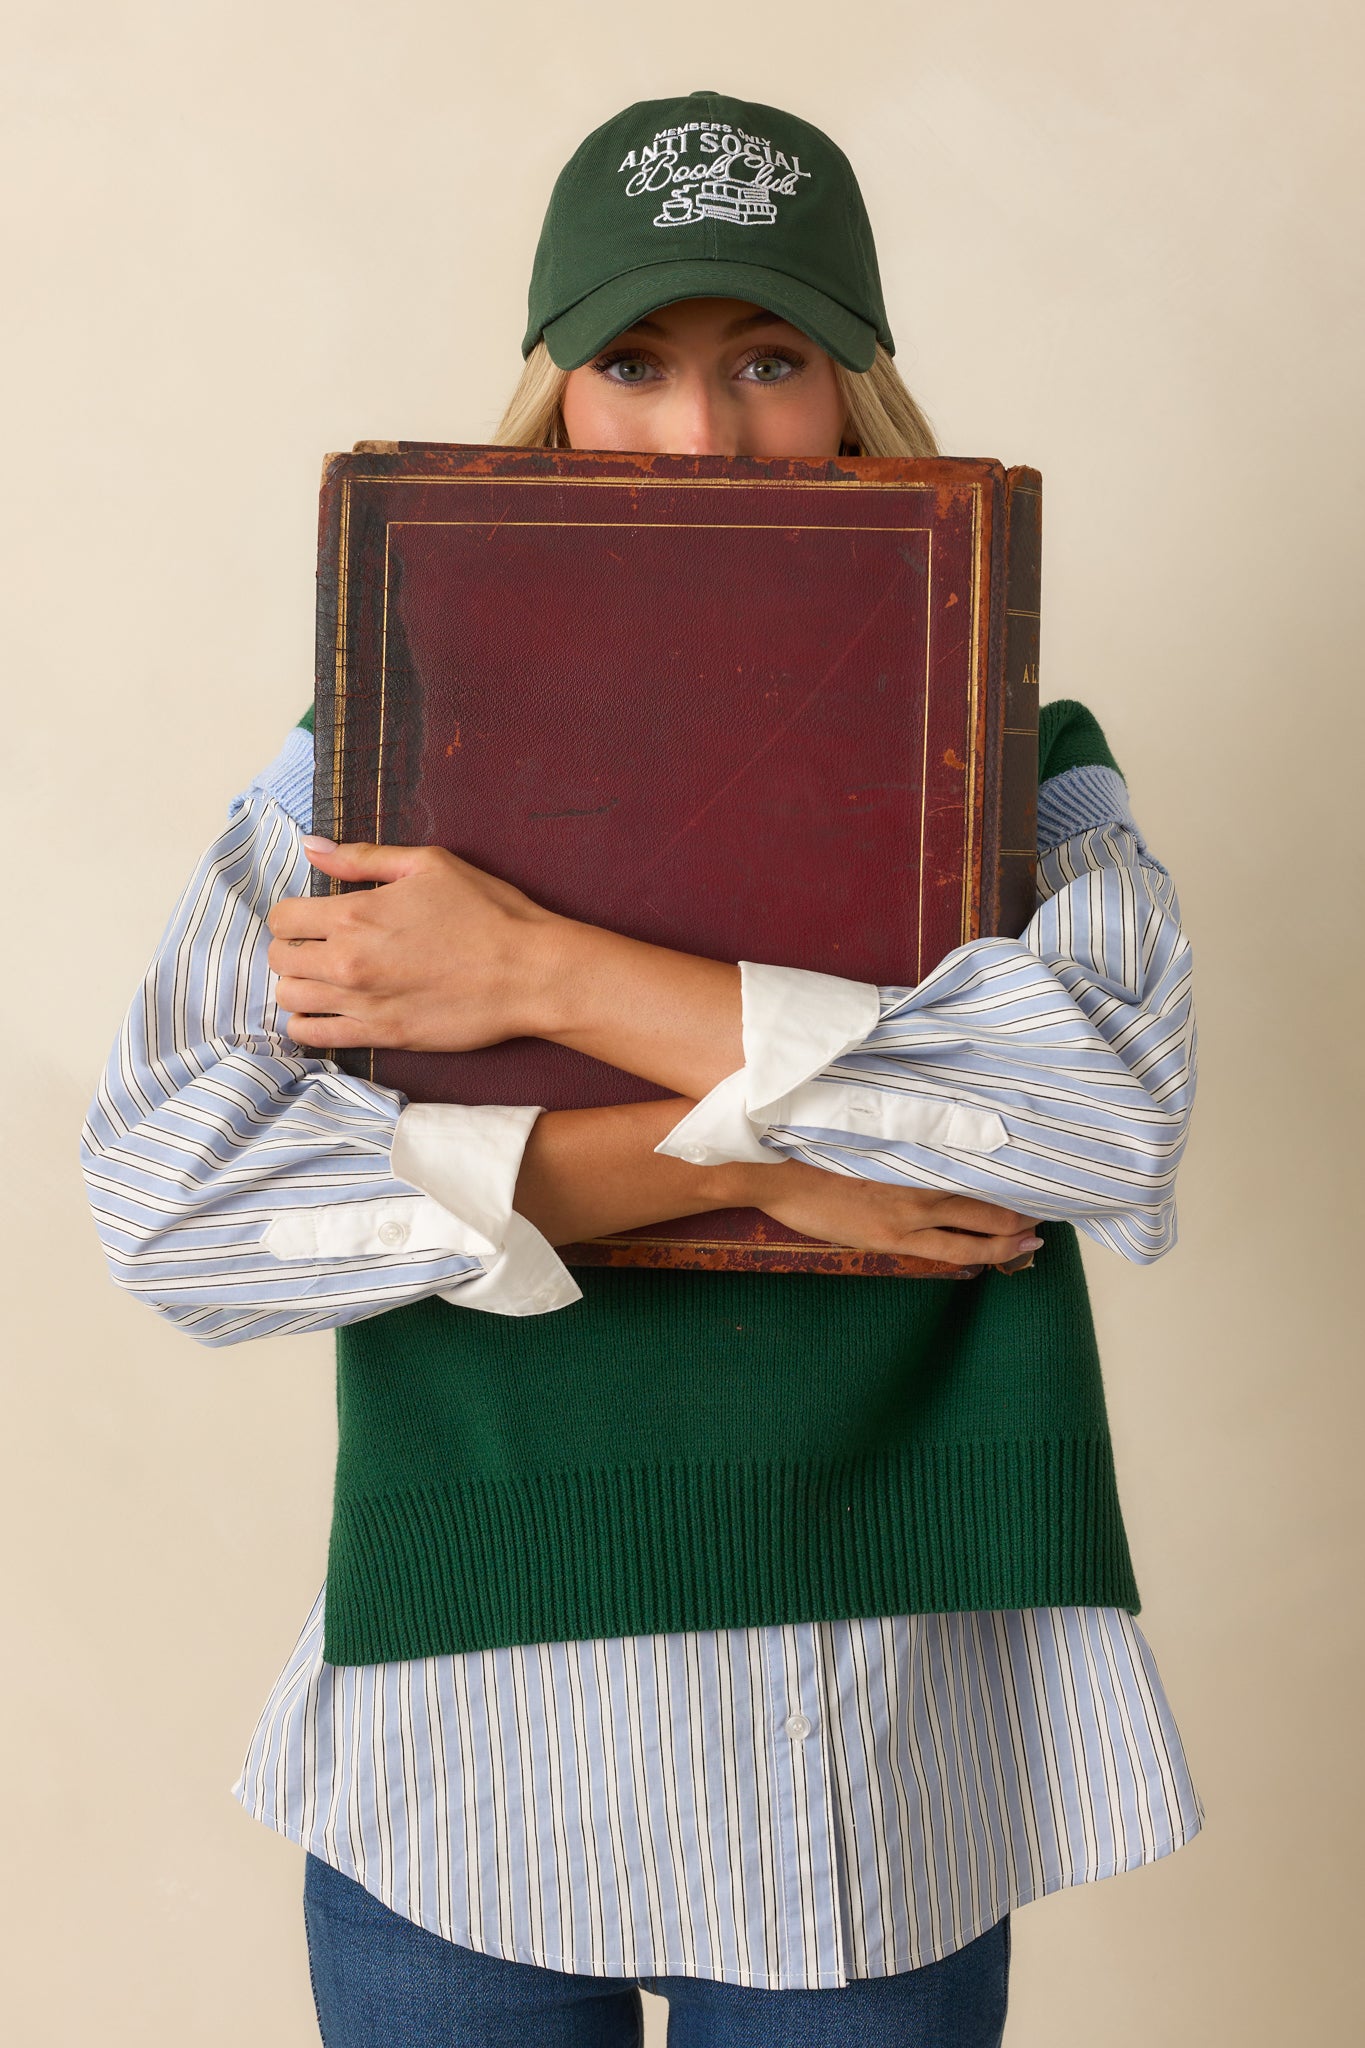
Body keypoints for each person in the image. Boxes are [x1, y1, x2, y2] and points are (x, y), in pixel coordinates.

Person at [83, 91, 1202, 2048]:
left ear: (858, 392)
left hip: (869, 1740)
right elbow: (178, 1197)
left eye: (765, 360)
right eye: (634, 363)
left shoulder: (1019, 754)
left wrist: (534, 966)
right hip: (468, 1739)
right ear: (555, 400)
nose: (700, 436)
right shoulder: (362, 749)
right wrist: (749, 1163)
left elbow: (1097, 1109)